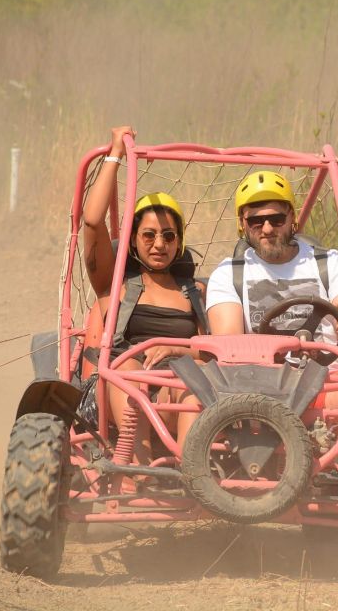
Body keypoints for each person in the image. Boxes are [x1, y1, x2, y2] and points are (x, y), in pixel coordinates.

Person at [203, 170, 338, 468]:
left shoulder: (328, 263)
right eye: (256, 221)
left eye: (276, 219)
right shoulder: (229, 274)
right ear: (242, 224)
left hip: (328, 386)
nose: (267, 228)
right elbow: (228, 347)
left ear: (291, 219)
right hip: (259, 392)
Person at [82, 126, 205, 481]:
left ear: (179, 242)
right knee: (131, 371)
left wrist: (175, 350)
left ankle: (191, 476)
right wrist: (116, 153)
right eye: (148, 235)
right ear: (133, 241)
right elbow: (92, 222)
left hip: (177, 389)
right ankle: (138, 472)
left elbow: (212, 354)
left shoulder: (194, 291)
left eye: (169, 236)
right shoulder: (114, 285)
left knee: (192, 384)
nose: (159, 244)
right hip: (120, 389)